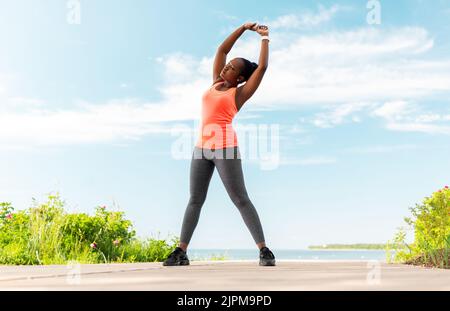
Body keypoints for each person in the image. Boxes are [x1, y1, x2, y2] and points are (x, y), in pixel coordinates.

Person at [163, 22, 275, 266]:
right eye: (228, 65)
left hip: (226, 149)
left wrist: (264, 38)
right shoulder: (215, 83)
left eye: (232, 68)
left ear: (241, 77)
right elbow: (221, 51)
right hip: (201, 149)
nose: (227, 67)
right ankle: (181, 251)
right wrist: (243, 28)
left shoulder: (239, 94)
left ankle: (264, 250)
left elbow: (263, 67)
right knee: (195, 199)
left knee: (240, 199)